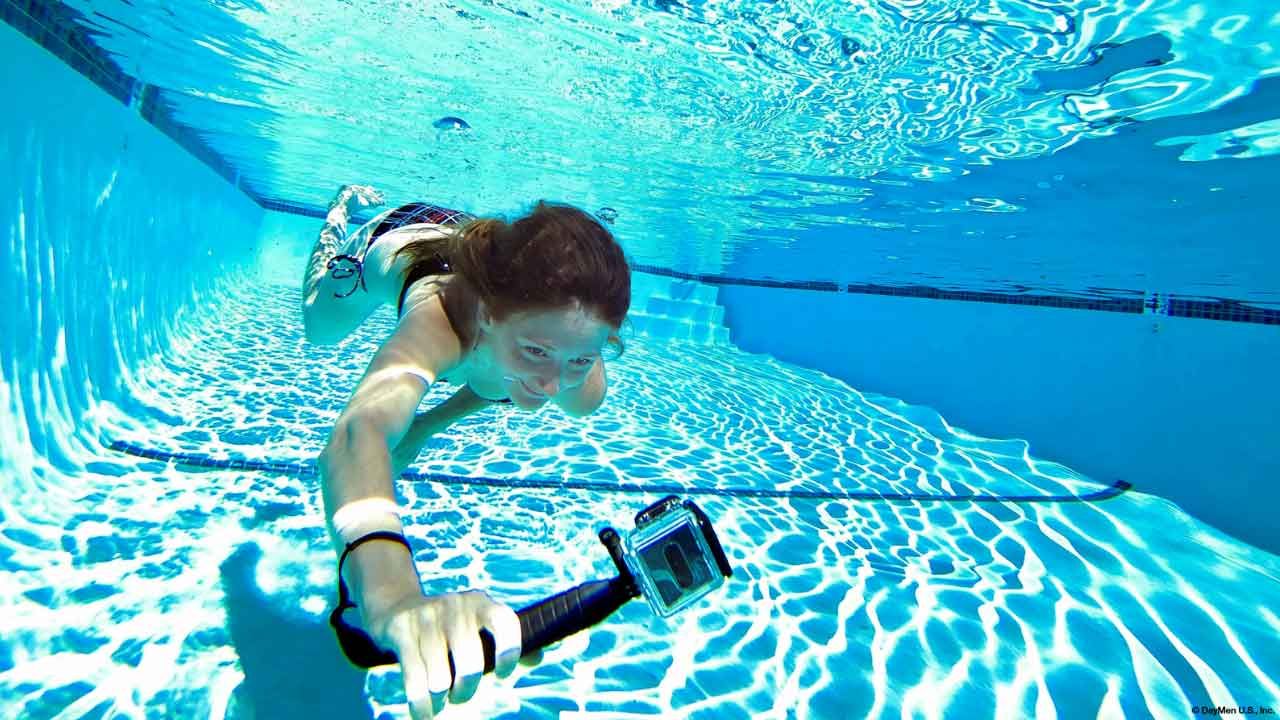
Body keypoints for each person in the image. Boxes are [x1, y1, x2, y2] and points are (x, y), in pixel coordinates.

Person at [301, 184, 631, 719]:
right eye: (537, 351)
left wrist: (428, 424)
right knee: (319, 326)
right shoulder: (440, 318)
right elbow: (356, 435)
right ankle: (340, 213)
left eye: (579, 360)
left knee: (551, 382)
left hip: (490, 257)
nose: (552, 384)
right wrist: (393, 597)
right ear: (488, 315)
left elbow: (499, 380)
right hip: (398, 236)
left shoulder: (576, 370)